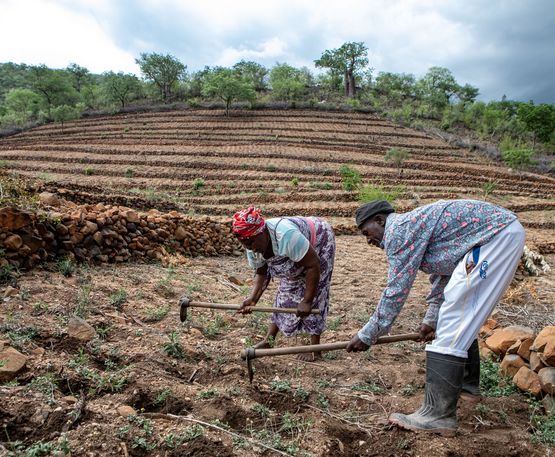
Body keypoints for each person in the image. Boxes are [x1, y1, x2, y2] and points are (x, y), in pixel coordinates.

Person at [345, 199, 525, 436]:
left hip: (497, 237)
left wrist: (368, 334)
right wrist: (430, 319)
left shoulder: (399, 231)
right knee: (459, 314)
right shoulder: (412, 228)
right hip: (500, 234)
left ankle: (437, 414)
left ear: (380, 220)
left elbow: (397, 289)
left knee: (455, 314)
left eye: (367, 232)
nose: (368, 240)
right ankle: (467, 388)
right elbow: (445, 274)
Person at [232, 207, 336, 361]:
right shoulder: (251, 244)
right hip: (297, 249)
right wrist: (253, 299)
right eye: (245, 244)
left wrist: (306, 301)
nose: (250, 247)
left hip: (319, 239)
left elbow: (313, 265)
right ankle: (269, 341)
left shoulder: (286, 236)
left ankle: (316, 349)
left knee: (316, 291)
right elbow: (262, 272)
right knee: (286, 288)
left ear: (262, 232)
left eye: (252, 242)